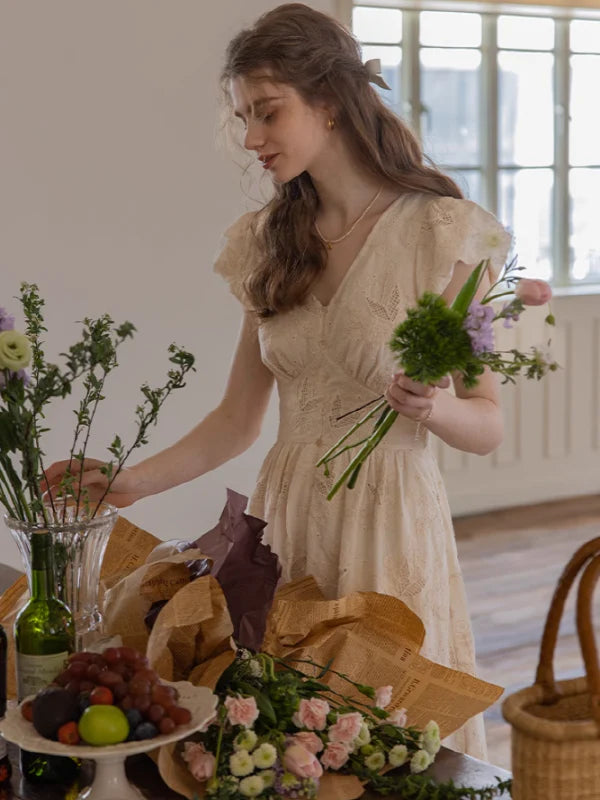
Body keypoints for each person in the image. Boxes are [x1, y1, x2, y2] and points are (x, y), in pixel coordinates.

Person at [45, 3, 511, 759]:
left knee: (389, 746)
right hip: (286, 517)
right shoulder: (268, 242)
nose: (253, 139)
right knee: (287, 749)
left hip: (391, 524)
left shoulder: (441, 232)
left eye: (268, 113)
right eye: (244, 118)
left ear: (328, 102)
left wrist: (438, 407)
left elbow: (488, 423)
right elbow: (237, 419)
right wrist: (128, 482)